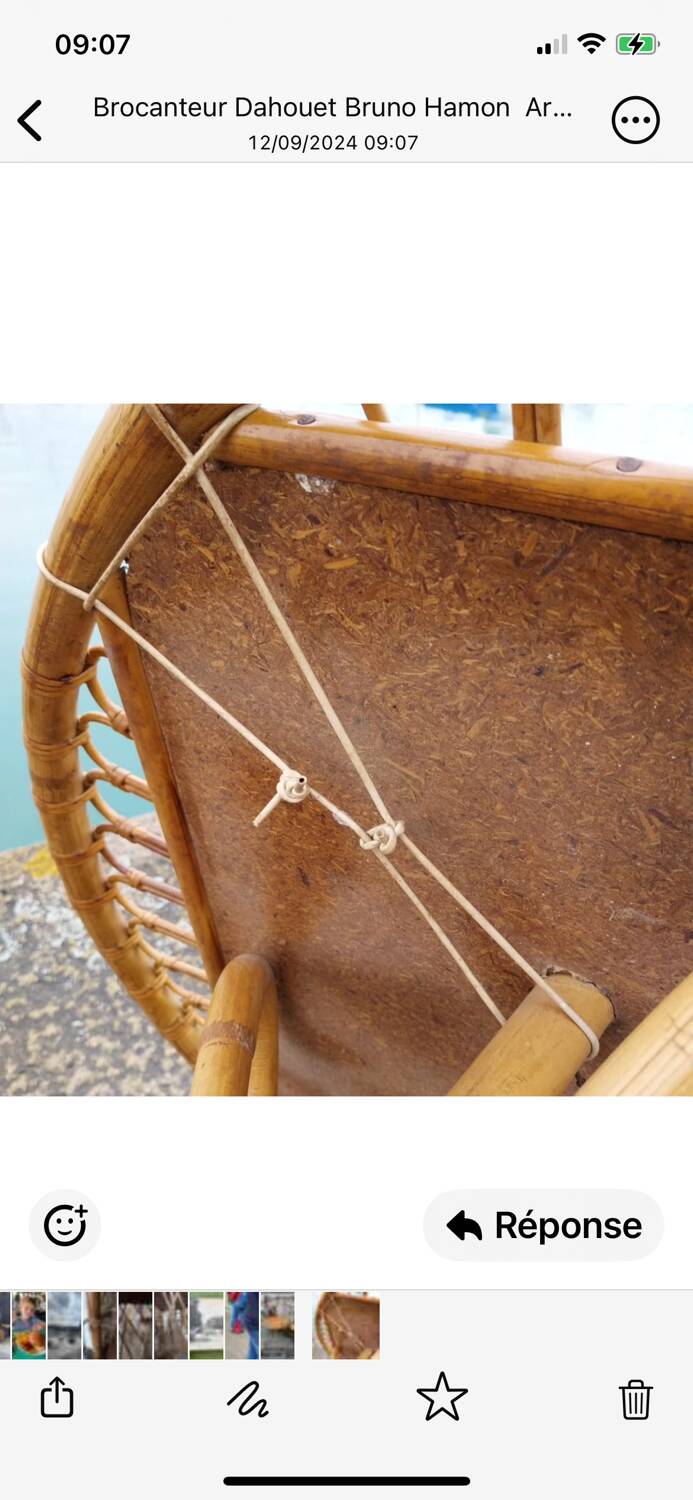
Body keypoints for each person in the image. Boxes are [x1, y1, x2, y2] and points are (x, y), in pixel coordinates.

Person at [229, 1292, 259, 1359]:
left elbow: (238, 1305)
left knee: (253, 1349)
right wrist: (233, 1322)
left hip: (252, 1321)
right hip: (253, 1323)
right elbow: (238, 1305)